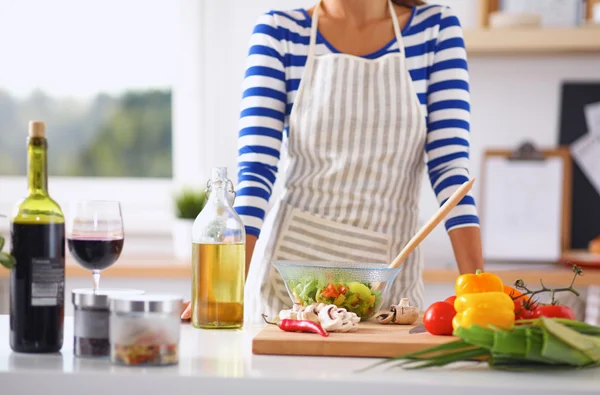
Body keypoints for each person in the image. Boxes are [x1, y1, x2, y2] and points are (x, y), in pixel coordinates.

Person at [182, 0, 484, 324]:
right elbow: (256, 172)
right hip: (289, 294)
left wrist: (480, 291)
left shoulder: (435, 29)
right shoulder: (281, 33)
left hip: (389, 291)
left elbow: (450, 168)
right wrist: (223, 294)